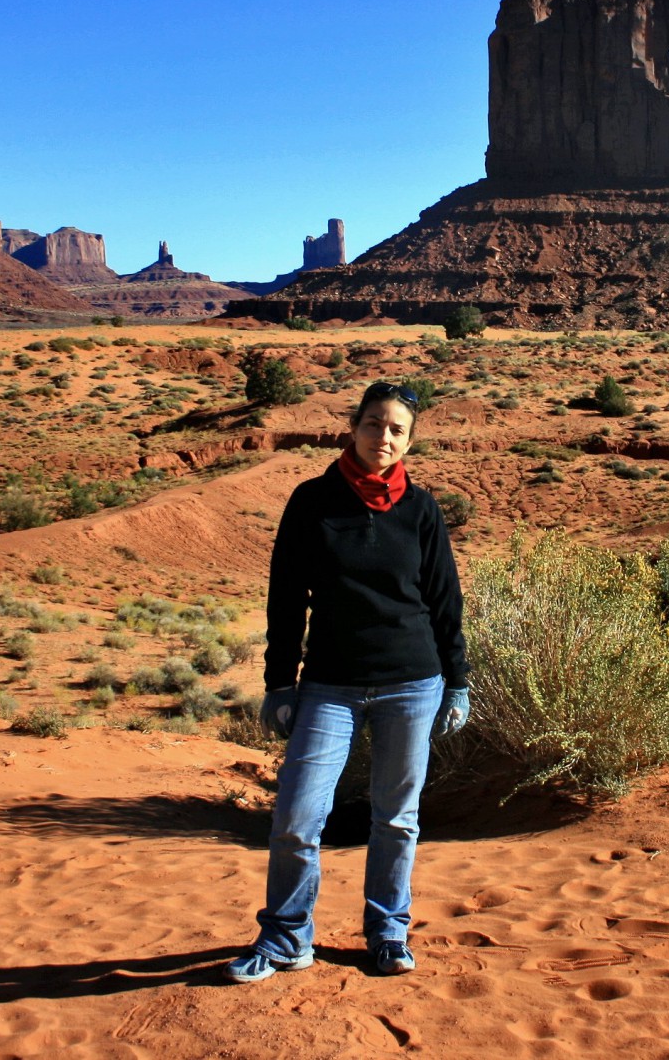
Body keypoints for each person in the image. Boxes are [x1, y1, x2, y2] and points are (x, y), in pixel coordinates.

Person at [221, 380, 471, 983]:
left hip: (412, 683)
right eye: (373, 424)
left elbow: (444, 602)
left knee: (396, 818)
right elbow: (287, 600)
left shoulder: (421, 510)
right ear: (352, 427)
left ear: (409, 440)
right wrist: (280, 684)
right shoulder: (312, 501)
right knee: (298, 816)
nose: (382, 438)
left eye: (396, 430)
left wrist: (458, 681)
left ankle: (388, 933)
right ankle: (285, 938)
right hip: (328, 685)